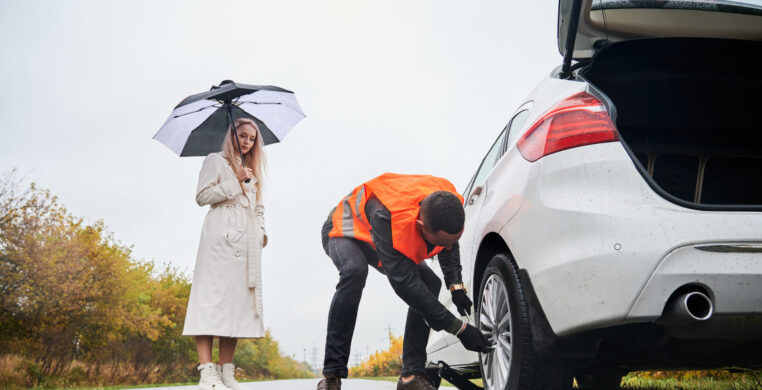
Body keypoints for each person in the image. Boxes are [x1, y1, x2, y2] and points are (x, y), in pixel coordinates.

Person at [317, 173, 493, 390]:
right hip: (344, 228)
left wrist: (456, 286)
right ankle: (331, 375)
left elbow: (449, 245)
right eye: (440, 243)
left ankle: (411, 375)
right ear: (420, 224)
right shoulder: (387, 215)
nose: (447, 248)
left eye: (452, 241)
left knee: (430, 282)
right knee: (354, 271)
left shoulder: (447, 202)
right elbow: (406, 286)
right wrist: (459, 328)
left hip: (379, 231)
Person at [182, 118, 268, 390]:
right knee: (211, 300)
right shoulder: (215, 160)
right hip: (219, 239)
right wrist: (236, 183)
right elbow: (202, 196)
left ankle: (227, 371)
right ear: (232, 135)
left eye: (252, 138)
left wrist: (261, 233)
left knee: (236, 305)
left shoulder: (252, 169)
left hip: (246, 244)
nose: (247, 142)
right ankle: (207, 373)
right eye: (242, 135)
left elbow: (258, 207)